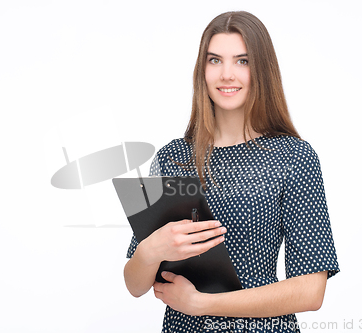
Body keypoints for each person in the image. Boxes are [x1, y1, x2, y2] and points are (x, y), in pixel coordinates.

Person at [124, 11, 339, 333]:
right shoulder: (173, 157)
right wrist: (152, 249)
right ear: (202, 70)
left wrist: (202, 304)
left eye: (242, 61)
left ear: (261, 70)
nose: (227, 74)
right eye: (215, 60)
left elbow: (310, 291)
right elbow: (136, 284)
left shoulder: (293, 156)